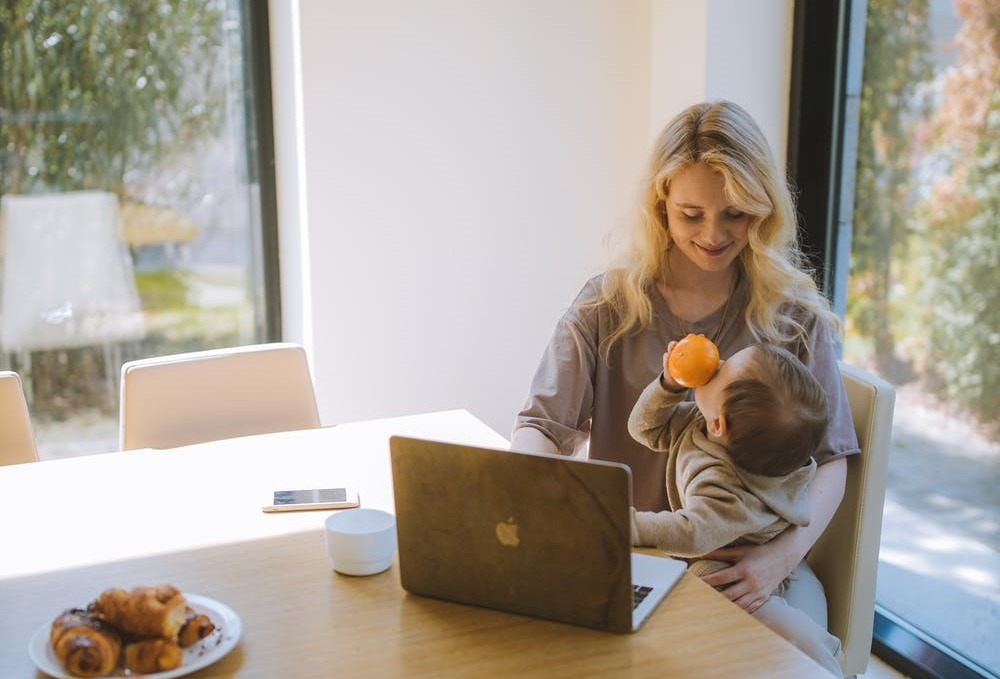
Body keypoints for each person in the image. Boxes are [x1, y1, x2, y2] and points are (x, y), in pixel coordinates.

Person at [511, 99, 859, 677]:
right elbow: (541, 429)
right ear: (660, 205)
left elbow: (832, 461)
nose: (714, 235)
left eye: (736, 214)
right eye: (691, 214)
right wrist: (544, 507)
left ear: (763, 209)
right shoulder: (607, 306)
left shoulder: (793, 317)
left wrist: (776, 560)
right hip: (630, 559)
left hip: (748, 569)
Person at [627, 341, 826, 585]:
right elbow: (644, 428)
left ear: (718, 425)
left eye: (721, 371)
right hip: (714, 541)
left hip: (741, 566)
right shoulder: (705, 422)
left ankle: (771, 617)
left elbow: (691, 533)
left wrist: (627, 525)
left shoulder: (726, 490)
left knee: (706, 577)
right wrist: (669, 386)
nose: (717, 363)